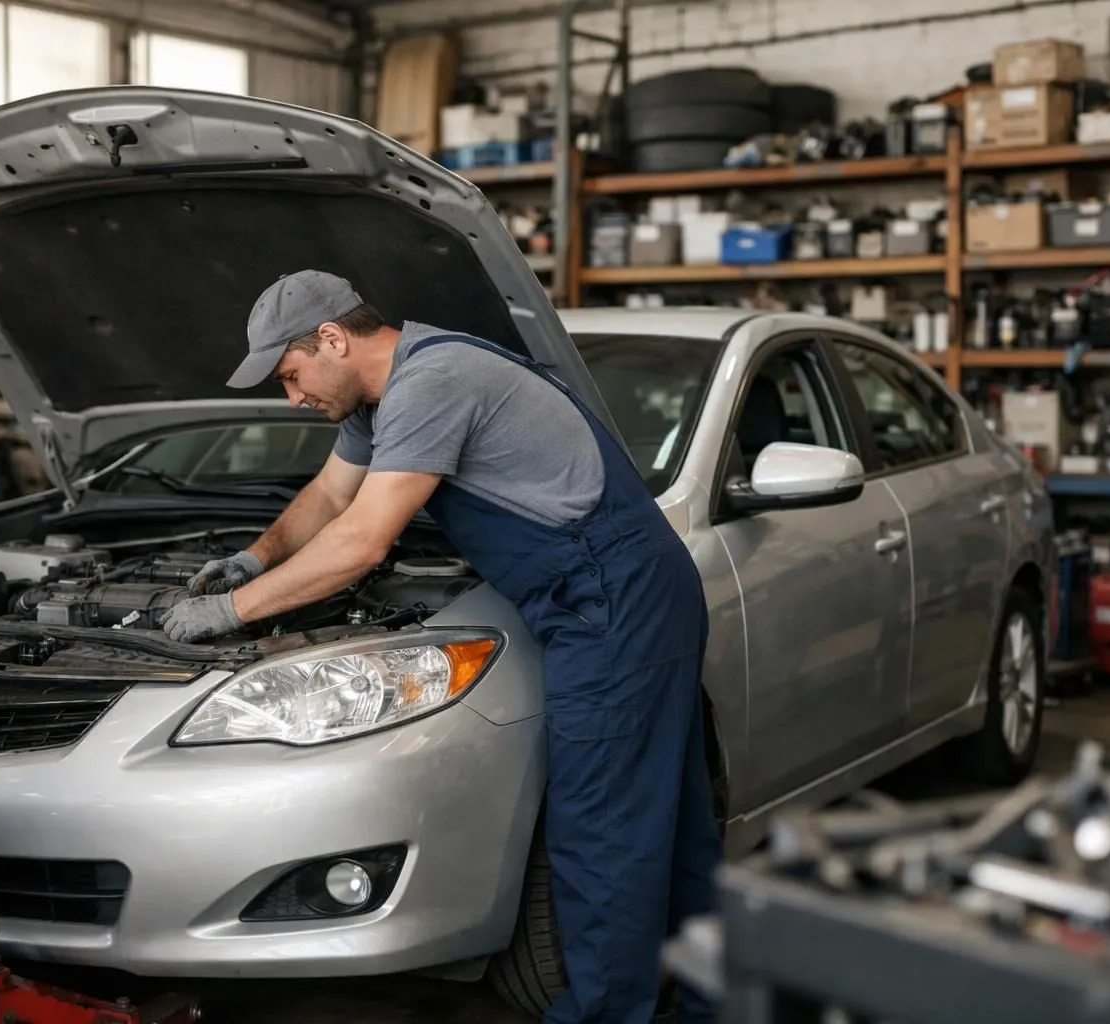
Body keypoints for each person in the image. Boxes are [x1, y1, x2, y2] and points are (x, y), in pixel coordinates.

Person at [160, 270, 721, 1024]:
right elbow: (330, 497)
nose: (292, 397)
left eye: (291, 375)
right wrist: (254, 560)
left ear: (333, 339)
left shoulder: (434, 381)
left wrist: (230, 611)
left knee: (603, 831)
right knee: (669, 820)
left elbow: (360, 542)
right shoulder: (384, 393)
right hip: (624, 595)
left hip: (609, 602)